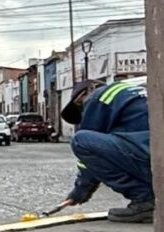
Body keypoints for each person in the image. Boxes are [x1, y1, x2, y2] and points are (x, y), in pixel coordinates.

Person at [56, 78, 153, 223]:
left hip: (149, 157)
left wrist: (80, 192)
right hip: (152, 154)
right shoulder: (132, 93)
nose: (84, 111)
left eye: (80, 107)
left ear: (84, 94)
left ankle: (144, 200)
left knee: (81, 141)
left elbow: (89, 157)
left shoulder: (99, 96)